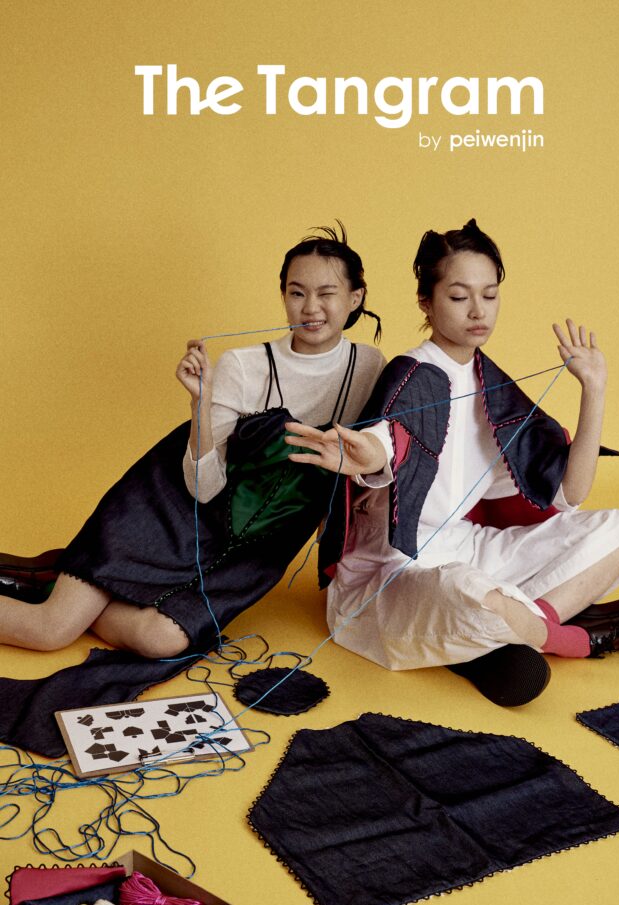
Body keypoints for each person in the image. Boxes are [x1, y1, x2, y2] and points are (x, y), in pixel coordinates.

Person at [286, 220, 619, 705]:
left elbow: (570, 493)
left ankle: (514, 631)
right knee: (471, 592)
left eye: (489, 295)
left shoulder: (491, 383)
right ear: (426, 302)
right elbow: (389, 435)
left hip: (465, 546)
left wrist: (593, 388)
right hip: (392, 575)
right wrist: (368, 454)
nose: (478, 311)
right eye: (458, 296)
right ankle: (571, 637)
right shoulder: (414, 373)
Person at [0, 225, 385, 659]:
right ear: (283, 296)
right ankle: (76, 588)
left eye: (326, 293)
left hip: (254, 548)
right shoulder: (244, 366)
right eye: (297, 293)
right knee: (51, 631)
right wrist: (200, 403)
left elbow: (361, 470)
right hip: (173, 510)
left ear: (355, 298)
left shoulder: (370, 367)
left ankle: (69, 581)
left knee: (162, 641)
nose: (310, 307)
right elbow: (204, 488)